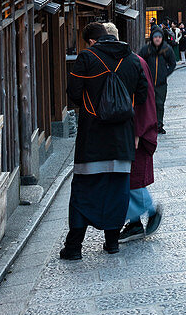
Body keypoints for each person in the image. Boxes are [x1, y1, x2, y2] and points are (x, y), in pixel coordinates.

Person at [60, 20, 148, 260]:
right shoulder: (131, 59)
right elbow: (141, 94)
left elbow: (74, 93)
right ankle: (112, 244)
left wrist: (94, 106)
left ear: (91, 40)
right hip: (122, 139)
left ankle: (74, 247)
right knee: (117, 192)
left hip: (92, 138)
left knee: (83, 192)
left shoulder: (86, 58)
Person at [116, 34, 163, 242]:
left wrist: (138, 130)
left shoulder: (134, 62)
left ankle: (150, 211)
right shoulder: (136, 59)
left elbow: (142, 97)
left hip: (135, 128)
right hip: (131, 127)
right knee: (128, 177)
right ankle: (134, 223)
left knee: (132, 178)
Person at [139, 26, 177, 134]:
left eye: (159, 37)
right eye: (155, 37)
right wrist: (143, 76)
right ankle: (149, 124)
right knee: (148, 104)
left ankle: (159, 124)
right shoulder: (146, 49)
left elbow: (172, 63)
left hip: (161, 83)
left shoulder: (166, 49)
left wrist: (165, 74)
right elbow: (139, 62)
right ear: (152, 38)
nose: (157, 39)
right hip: (148, 83)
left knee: (160, 104)